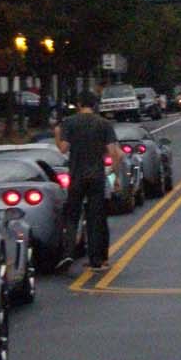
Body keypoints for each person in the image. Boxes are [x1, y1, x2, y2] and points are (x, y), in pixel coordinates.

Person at [54, 90, 120, 271]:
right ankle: (96, 259)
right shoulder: (104, 124)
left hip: (76, 175)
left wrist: (57, 135)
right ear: (94, 105)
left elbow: (63, 148)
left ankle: (68, 253)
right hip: (96, 176)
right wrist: (115, 176)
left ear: (79, 104)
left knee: (72, 216)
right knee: (96, 218)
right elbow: (114, 152)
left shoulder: (70, 123)